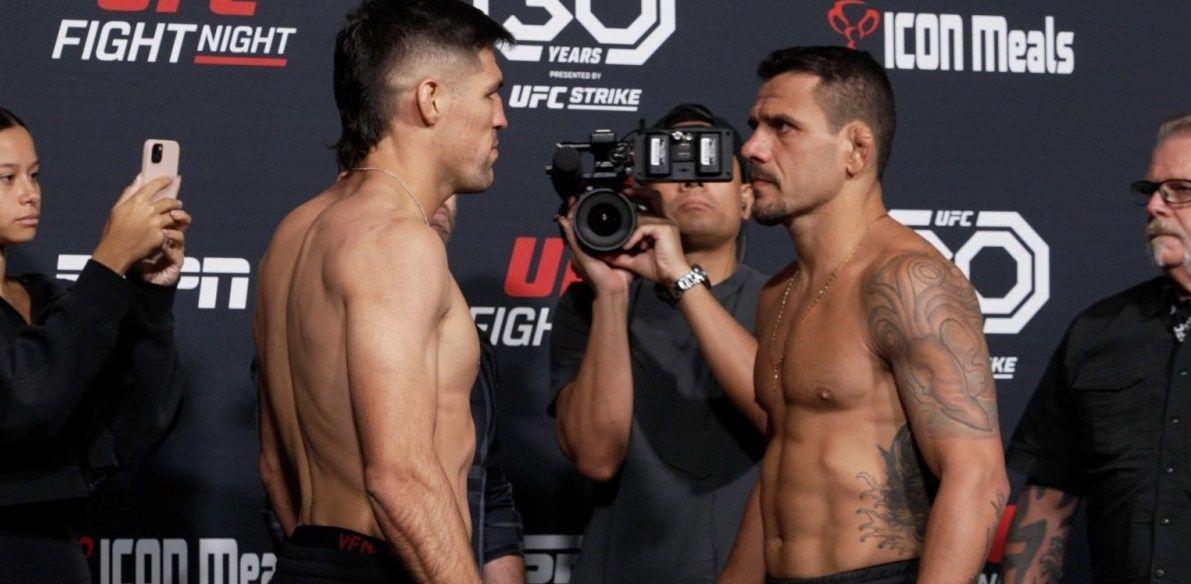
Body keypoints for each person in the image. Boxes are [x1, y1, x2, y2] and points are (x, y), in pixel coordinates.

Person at [721, 46, 1008, 583]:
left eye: (783, 127)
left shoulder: (905, 281)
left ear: (856, 148)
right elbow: (784, 464)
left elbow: (978, 477)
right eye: (754, 125)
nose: (752, 147)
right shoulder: (777, 292)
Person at [263, 0, 511, 581]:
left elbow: (275, 468)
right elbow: (401, 478)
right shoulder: (399, 242)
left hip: (311, 559)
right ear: (431, 99)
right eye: (490, 93)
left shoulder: (294, 231)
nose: (501, 117)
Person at [256, 192, 525, 583]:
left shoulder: (468, 340)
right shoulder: (333, 306)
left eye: (447, 189)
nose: (440, 200)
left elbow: (484, 484)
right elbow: (396, 477)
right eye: (429, 181)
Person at [551, 103, 768, 582]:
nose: (692, 181)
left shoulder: (783, 302)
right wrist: (610, 295)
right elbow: (596, 456)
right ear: (643, 191)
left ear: (748, 198)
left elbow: (780, 415)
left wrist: (681, 278)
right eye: (671, 165)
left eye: (708, 163)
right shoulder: (586, 306)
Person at [0, 107, 189, 583]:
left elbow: (132, 429)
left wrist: (151, 293)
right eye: (6, 178)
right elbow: (23, 404)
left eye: (35, 175)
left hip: (57, 552)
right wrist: (106, 264)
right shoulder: (77, 305)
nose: (30, 193)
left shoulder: (48, 301)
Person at [1001, 114, 1191, 584]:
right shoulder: (1099, 332)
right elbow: (1046, 502)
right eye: (1150, 189)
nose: (1154, 206)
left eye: (1180, 190)